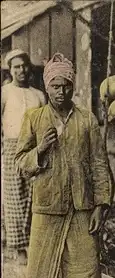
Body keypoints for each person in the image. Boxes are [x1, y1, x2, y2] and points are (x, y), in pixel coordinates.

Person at [15, 53, 112, 278]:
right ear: (46, 87)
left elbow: (99, 165)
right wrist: (41, 149)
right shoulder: (34, 119)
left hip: (82, 210)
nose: (61, 91)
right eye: (55, 85)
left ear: (72, 85)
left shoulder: (87, 119)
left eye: (66, 85)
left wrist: (101, 205)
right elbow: (20, 165)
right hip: (47, 210)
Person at [1, 49, 46, 264]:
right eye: (16, 66)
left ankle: (32, 243)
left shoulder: (38, 95)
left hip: (33, 148)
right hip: (10, 147)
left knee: (32, 195)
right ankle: (17, 247)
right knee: (13, 197)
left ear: (29, 68)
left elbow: (46, 123)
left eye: (24, 66)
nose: (21, 70)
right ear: (10, 70)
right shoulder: (5, 93)